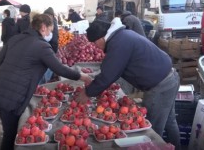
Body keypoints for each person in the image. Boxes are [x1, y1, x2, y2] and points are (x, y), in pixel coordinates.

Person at [0, 14, 92, 150]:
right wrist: (82, 76)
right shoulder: (42, 46)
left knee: (9, 128)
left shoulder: (15, 38)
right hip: (14, 95)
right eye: (50, 30)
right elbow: (60, 69)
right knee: (11, 134)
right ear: (43, 28)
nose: (50, 34)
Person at [76, 19, 181, 150]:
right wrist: (97, 79)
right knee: (169, 121)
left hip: (160, 85)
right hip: (169, 77)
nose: (97, 47)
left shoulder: (119, 42)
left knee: (151, 130)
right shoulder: (122, 35)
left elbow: (109, 74)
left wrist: (88, 92)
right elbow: (111, 67)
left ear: (100, 38)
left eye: (95, 44)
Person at [40, 7, 59, 84]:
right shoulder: (50, 22)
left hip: (49, 49)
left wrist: (53, 51)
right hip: (47, 50)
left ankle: (43, 84)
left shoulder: (52, 22)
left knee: (48, 68)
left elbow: (54, 39)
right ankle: (44, 85)